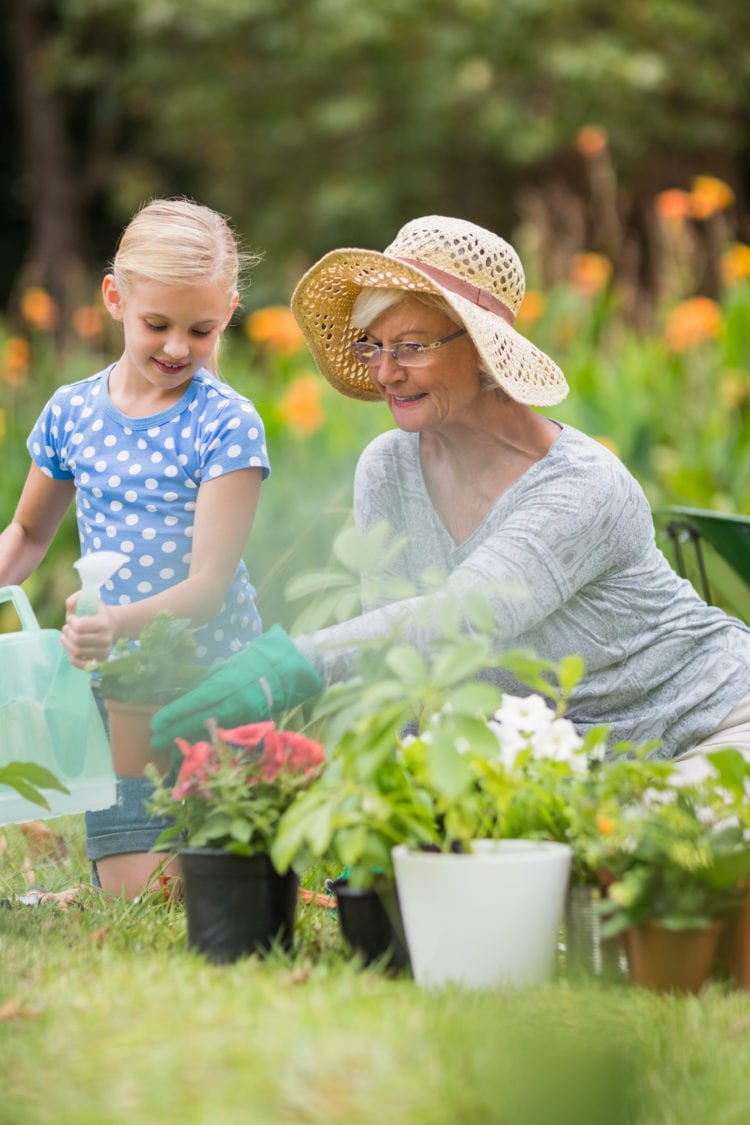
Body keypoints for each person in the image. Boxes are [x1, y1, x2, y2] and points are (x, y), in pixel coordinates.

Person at [152, 214, 750, 771]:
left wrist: (283, 667)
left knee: (656, 856)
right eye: (373, 346)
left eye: (411, 346)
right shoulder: (388, 467)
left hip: (712, 728)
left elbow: (465, 615)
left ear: (484, 349)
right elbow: (403, 672)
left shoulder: (581, 486)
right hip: (570, 766)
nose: (385, 372)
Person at [0, 197, 273, 899]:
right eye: (157, 324)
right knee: (140, 889)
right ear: (115, 298)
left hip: (215, 683)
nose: (178, 347)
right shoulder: (71, 413)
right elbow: (29, 534)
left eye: (201, 329)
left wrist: (113, 621)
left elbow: (208, 584)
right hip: (118, 692)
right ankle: (112, 873)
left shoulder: (226, 425)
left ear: (229, 312)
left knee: (205, 882)